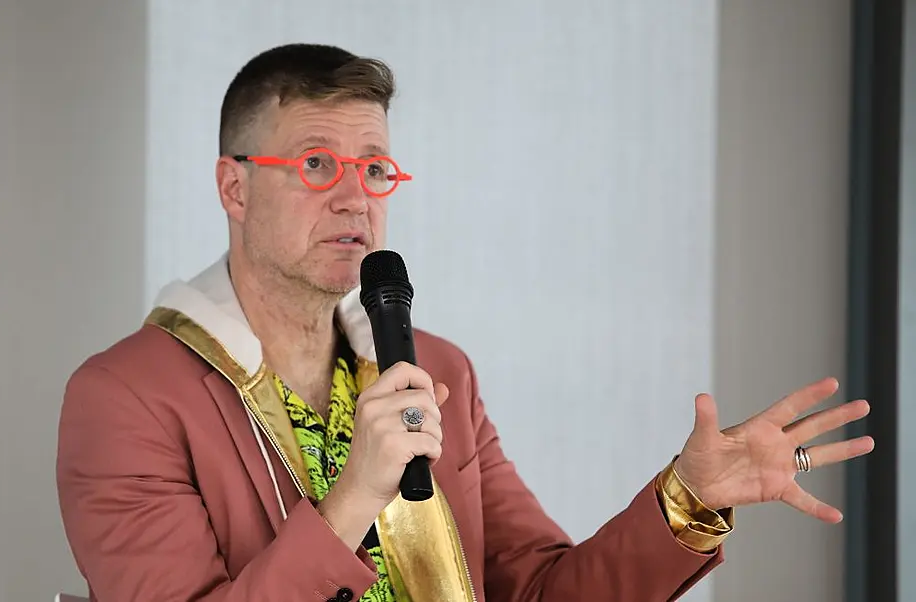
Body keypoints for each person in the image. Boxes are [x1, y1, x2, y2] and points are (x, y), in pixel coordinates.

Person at [55, 43, 874, 602]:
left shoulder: (438, 370)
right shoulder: (125, 397)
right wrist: (353, 500)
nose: (354, 196)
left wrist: (686, 503)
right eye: (315, 165)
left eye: (374, 169)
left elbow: (543, 590)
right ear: (234, 188)